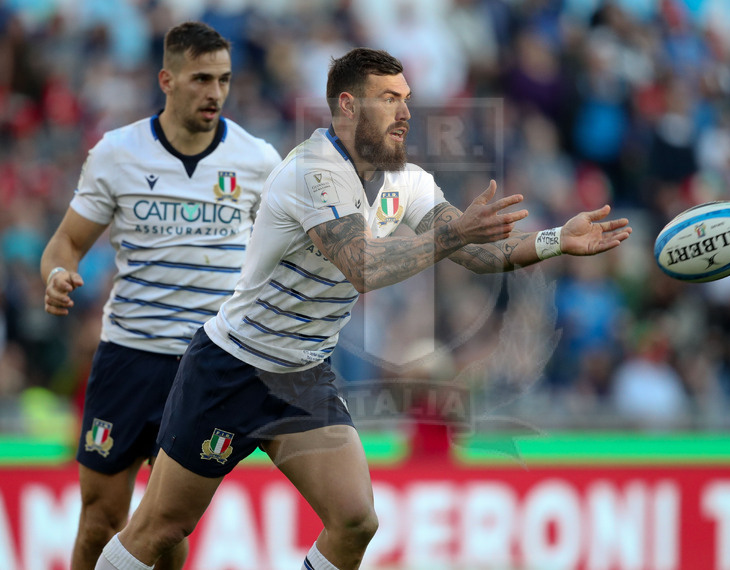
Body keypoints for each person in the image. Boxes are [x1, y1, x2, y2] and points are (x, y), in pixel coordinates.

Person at [93, 47, 632, 570]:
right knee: (161, 528)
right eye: (390, 99)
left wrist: (556, 240)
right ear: (348, 106)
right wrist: (454, 234)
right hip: (232, 368)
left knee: (355, 522)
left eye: (407, 99)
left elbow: (477, 253)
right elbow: (364, 266)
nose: (405, 112)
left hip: (302, 377)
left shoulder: (408, 182)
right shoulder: (312, 171)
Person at [40, 21, 282, 570]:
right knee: (99, 520)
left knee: (167, 528)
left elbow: (284, 251)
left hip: (206, 365)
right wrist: (57, 273)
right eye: (201, 79)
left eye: (223, 79)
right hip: (129, 356)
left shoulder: (258, 159)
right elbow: (66, 242)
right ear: (166, 80)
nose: (215, 92)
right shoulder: (117, 153)